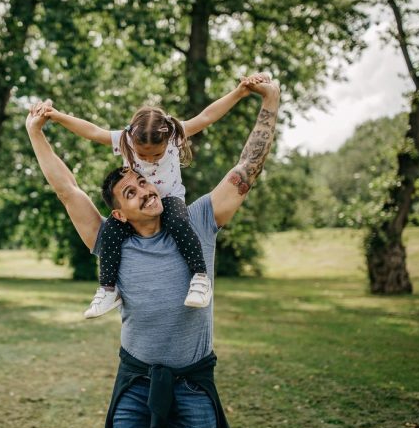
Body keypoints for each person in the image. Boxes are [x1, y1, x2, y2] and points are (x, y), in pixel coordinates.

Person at [24, 77, 280, 428]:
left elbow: (247, 167)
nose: (144, 190)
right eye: (130, 192)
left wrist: (270, 101)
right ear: (119, 213)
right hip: (136, 385)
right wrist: (36, 131)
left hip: (194, 386)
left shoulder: (198, 219)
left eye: (143, 181)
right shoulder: (110, 239)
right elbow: (67, 189)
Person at [38, 76, 267, 318]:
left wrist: (239, 93)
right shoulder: (125, 138)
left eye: (156, 155)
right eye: (142, 155)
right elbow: (92, 132)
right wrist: (56, 115)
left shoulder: (175, 134)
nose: (148, 160)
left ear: (167, 141)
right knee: (111, 233)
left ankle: (200, 277)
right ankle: (107, 289)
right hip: (140, 206)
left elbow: (207, 116)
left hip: (169, 200)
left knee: (179, 223)